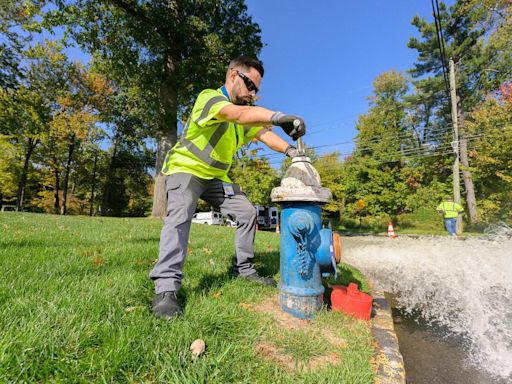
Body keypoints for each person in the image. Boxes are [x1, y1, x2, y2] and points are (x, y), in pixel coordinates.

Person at [150, 56, 305, 319]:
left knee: (247, 213)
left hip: (215, 179)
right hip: (186, 170)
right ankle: (165, 290)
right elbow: (240, 114)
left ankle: (243, 270)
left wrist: (293, 151)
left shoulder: (243, 116)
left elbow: (263, 134)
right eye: (250, 86)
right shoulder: (210, 99)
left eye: (256, 89)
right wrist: (279, 116)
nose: (253, 94)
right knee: (179, 217)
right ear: (233, 76)